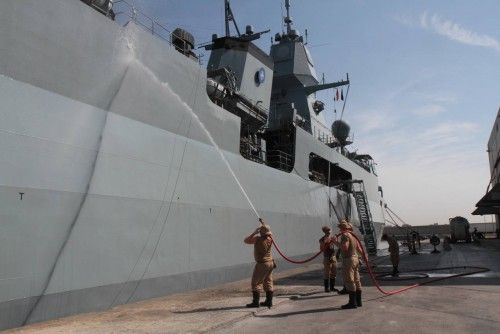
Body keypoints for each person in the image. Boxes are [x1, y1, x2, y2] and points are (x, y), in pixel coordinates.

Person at [244, 219, 274, 308]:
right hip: (270, 263)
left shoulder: (258, 239)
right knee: (268, 282)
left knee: (256, 283)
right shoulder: (270, 239)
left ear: (261, 232)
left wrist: (254, 232)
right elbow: (266, 230)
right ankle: (269, 301)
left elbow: (246, 240)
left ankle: (255, 302)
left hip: (262, 264)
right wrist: (263, 223)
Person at [332, 220, 363, 309]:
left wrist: (335, 242)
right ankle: (359, 301)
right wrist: (363, 258)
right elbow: (359, 249)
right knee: (357, 280)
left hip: (348, 260)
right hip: (355, 258)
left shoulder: (345, 235)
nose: (339, 230)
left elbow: (344, 247)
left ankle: (352, 303)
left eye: (340, 228)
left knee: (350, 280)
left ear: (342, 228)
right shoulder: (353, 236)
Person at [319, 226, 338, 293]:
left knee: (334, 272)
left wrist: (335, 240)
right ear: (324, 232)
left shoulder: (332, 238)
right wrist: (325, 243)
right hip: (327, 257)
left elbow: (337, 245)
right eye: (327, 231)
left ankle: (332, 287)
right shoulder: (322, 239)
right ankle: (326, 288)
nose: (329, 232)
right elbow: (321, 249)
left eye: (330, 230)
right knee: (327, 273)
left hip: (333, 257)